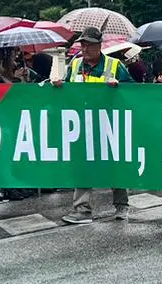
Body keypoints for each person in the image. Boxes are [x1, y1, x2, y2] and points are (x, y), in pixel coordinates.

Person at [56, 27, 133, 224]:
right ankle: (82, 210)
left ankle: (121, 206)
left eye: (90, 44)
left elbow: (133, 93)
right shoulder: (74, 66)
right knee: (82, 165)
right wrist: (58, 86)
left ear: (100, 45)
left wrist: (119, 88)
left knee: (114, 165)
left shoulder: (115, 65)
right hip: (82, 126)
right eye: (83, 44)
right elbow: (66, 90)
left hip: (109, 125)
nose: (86, 48)